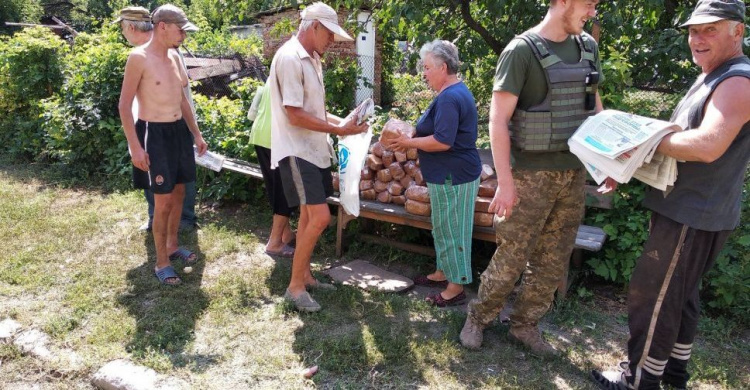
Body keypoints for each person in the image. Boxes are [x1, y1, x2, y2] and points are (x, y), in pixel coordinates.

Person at [591, 1, 750, 389]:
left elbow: (707, 145)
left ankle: (639, 379)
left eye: (711, 29)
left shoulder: (738, 82)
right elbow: (679, 138)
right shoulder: (715, 74)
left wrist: (641, 141)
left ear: (738, 32)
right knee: (679, 294)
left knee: (652, 296)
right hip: (690, 209)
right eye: (694, 30)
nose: (697, 38)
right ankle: (673, 374)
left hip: (692, 214)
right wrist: (628, 164)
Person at [459, 0, 605, 356]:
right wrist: (506, 183)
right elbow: (497, 120)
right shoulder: (520, 51)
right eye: (589, 4)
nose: (592, 12)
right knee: (512, 255)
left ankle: (525, 325)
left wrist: (607, 163)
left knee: (553, 259)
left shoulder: (588, 47)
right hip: (529, 175)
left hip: (572, 173)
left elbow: (595, 107)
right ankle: (478, 318)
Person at [268, 2, 368, 312]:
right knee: (321, 217)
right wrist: (339, 132)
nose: (332, 41)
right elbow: (295, 115)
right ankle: (295, 288)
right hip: (297, 151)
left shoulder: (312, 59)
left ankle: (305, 276)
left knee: (311, 217)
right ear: (314, 27)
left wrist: (344, 123)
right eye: (330, 34)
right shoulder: (289, 58)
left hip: (314, 150)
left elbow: (314, 111)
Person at [382, 40, 481, 307]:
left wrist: (408, 143)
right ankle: (442, 272)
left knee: (453, 230)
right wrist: (413, 132)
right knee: (442, 228)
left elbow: (443, 141)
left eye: (427, 68)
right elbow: (430, 129)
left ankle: (455, 287)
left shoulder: (450, 97)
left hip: (454, 175)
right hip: (446, 174)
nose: (423, 73)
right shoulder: (449, 93)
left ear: (443, 67)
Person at [118, 4, 208, 285]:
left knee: (180, 192)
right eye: (181, 30)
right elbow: (124, 105)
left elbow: (182, 99)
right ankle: (161, 262)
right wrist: (135, 146)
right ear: (163, 26)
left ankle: (172, 245)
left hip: (178, 131)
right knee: (163, 200)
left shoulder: (175, 57)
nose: (184, 35)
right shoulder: (138, 58)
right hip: (153, 134)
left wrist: (196, 133)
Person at [248, 81, 296, 257]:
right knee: (285, 191)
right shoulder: (293, 69)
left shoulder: (276, 69)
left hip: (261, 133)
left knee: (275, 188)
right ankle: (274, 242)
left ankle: (285, 234)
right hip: (278, 138)